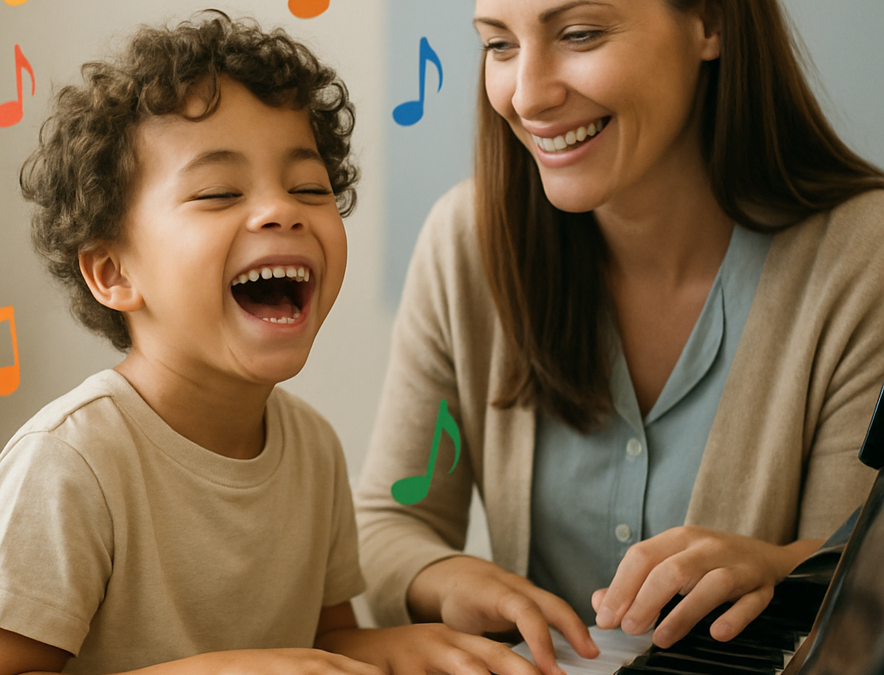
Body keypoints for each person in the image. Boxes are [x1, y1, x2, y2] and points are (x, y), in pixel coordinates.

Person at [0, 12, 544, 675]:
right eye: (220, 191)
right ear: (113, 272)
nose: (281, 210)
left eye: (309, 188)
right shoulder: (66, 464)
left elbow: (321, 643)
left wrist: (411, 647)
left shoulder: (313, 448)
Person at [354, 1, 884, 674]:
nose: (528, 96)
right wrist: (451, 576)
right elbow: (385, 522)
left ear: (711, 24)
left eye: (579, 34)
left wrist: (778, 566)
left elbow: (864, 583)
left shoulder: (865, 257)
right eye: (499, 46)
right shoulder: (466, 242)